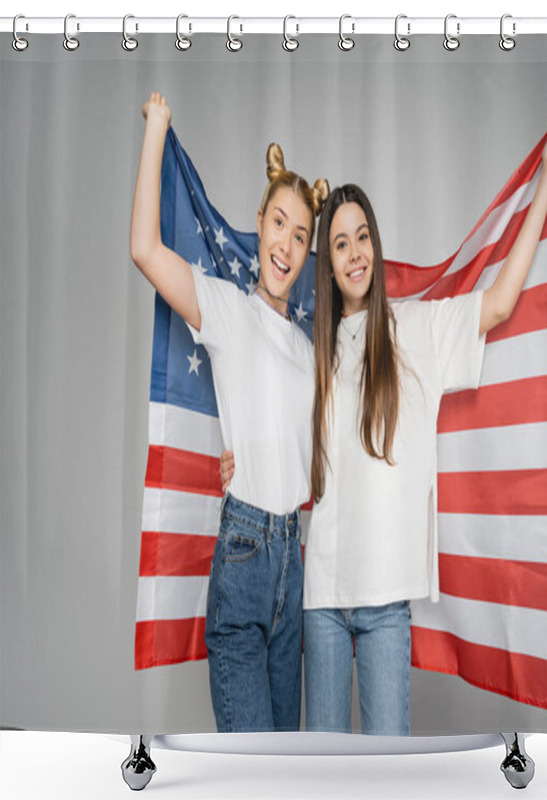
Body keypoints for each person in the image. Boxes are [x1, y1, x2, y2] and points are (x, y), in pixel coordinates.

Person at [222, 105, 547, 735]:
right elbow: (274, 430)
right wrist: (237, 463)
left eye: (362, 237)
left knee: (388, 771)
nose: (353, 252)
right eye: (338, 242)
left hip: (386, 603)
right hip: (321, 603)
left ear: (375, 249)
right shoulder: (314, 354)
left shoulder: (417, 329)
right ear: (325, 265)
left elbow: (498, 304)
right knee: (326, 777)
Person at [130, 92, 329, 732]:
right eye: (279, 224)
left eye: (301, 235)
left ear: (307, 252)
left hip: (292, 564)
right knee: (253, 767)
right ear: (260, 223)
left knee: (287, 765)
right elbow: (144, 249)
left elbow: (309, 453)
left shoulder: (307, 344)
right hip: (244, 554)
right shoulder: (225, 308)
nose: (287, 244)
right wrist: (158, 130)